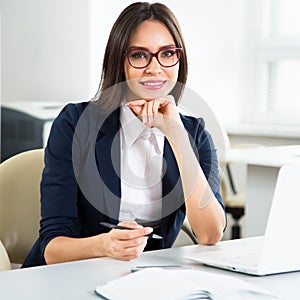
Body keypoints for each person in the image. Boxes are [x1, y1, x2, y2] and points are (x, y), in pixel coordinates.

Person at [22, 1, 226, 268]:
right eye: (139, 55)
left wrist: (176, 136)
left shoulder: (194, 133)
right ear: (120, 61)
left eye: (167, 54)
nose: (155, 68)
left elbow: (210, 234)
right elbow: (52, 248)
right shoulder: (75, 123)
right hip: (67, 277)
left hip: (143, 281)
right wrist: (104, 245)